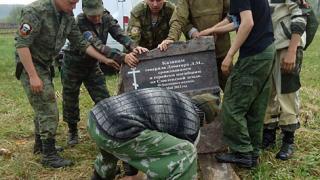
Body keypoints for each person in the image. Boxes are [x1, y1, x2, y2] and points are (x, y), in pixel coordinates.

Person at [15, 0, 121, 168]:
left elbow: (81, 43)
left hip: (45, 63)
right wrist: (33, 75)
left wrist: (105, 60)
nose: (74, 7)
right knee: (49, 109)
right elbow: (22, 45)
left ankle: (40, 146)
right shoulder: (34, 11)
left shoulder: (66, 15)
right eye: (72, 3)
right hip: (32, 65)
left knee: (41, 105)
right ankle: (49, 156)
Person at [62, 0, 148, 147]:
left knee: (103, 98)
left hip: (92, 65)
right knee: (70, 98)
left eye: (98, 14)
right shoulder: (80, 22)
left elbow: (120, 34)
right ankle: (72, 130)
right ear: (84, 12)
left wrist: (133, 46)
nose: (96, 18)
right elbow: (97, 44)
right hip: (73, 64)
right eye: (92, 16)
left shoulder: (107, 17)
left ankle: (109, 126)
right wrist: (122, 57)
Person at [87, 87, 220, 180]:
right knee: (186, 153)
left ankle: (100, 176)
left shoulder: (176, 97)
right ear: (205, 117)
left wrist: (132, 173)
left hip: (96, 119)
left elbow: (140, 134)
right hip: (118, 132)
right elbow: (169, 157)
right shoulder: (191, 121)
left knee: (110, 153)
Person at [213, 0, 275, 168]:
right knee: (255, 106)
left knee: (232, 106)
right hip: (267, 51)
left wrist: (229, 54)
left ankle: (243, 152)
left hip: (253, 55)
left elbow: (247, 23)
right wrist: (209, 31)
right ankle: (253, 153)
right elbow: (234, 20)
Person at [263, 0, 307, 160]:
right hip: (268, 46)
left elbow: (301, 13)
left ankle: (288, 139)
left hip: (287, 45)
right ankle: (269, 134)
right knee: (268, 92)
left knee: (287, 92)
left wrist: (292, 50)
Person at [158, 0, 231, 91]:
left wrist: (216, 29)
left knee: (232, 90)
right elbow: (179, 18)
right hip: (199, 55)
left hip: (222, 52)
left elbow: (231, 14)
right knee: (205, 97)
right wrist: (173, 38)